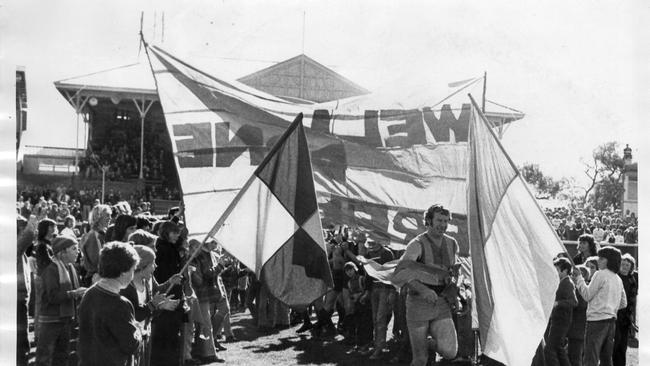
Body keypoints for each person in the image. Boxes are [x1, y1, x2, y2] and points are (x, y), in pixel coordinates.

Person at [398, 204, 459, 366]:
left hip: (442, 303)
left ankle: (428, 344)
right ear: (428, 221)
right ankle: (420, 347)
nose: (443, 225)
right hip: (418, 303)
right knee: (420, 359)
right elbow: (400, 272)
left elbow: (453, 272)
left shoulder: (452, 243)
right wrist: (423, 289)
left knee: (450, 352)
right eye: (439, 220)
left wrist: (456, 293)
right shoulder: (417, 244)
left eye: (446, 221)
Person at [77, 242, 142, 366]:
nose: (133, 275)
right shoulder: (120, 304)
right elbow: (131, 345)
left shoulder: (89, 293)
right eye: (133, 270)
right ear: (123, 272)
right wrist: (137, 330)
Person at [120, 245, 181, 366]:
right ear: (142, 266)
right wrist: (153, 304)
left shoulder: (146, 283)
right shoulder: (126, 287)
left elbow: (148, 312)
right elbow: (134, 315)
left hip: (144, 335)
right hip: (130, 340)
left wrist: (160, 306)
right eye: (153, 264)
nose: (156, 266)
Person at [572, 246, 627, 366]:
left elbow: (587, 295)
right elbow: (623, 303)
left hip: (596, 321)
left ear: (609, 260)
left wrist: (579, 278)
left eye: (601, 258)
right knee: (606, 359)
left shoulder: (600, 274)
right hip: (611, 322)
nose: (598, 260)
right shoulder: (618, 279)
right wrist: (610, 307)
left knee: (590, 358)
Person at [36, 235, 86, 366]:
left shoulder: (71, 268)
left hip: (65, 318)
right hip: (51, 320)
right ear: (62, 252)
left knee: (62, 355)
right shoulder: (51, 269)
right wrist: (73, 293)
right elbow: (52, 297)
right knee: (45, 356)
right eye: (74, 249)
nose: (78, 252)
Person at [151, 221, 186, 366]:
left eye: (178, 232)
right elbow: (161, 273)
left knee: (173, 334)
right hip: (166, 295)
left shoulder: (172, 247)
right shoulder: (162, 249)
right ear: (166, 232)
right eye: (174, 232)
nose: (177, 235)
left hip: (173, 292)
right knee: (166, 335)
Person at [189, 239, 227, 364]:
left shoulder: (206, 255)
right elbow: (205, 275)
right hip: (202, 294)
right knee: (205, 324)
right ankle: (208, 353)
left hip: (209, 293)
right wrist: (220, 266)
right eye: (214, 243)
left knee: (206, 324)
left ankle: (204, 350)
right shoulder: (198, 257)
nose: (216, 246)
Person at [361, 235, 396, 360]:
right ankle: (379, 343)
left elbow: (392, 274)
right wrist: (367, 291)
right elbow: (368, 275)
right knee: (375, 319)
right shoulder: (370, 254)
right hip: (374, 290)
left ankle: (378, 348)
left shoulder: (387, 253)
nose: (371, 246)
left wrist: (392, 292)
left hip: (385, 289)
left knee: (380, 319)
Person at [543, 257, 578, 366]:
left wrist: (558, 303)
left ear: (565, 271)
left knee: (549, 349)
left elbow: (574, 302)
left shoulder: (567, 283)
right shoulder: (561, 282)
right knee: (558, 349)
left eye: (557, 270)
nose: (555, 272)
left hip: (562, 321)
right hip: (557, 320)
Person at [613, 254, 637, 366]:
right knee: (614, 343)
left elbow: (633, 300)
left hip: (626, 317)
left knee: (622, 345)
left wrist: (632, 319)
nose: (625, 267)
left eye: (627, 265)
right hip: (615, 314)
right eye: (623, 264)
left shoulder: (632, 280)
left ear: (631, 267)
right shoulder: (615, 277)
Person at [80, 204, 112, 286]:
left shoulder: (103, 233)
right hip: (95, 278)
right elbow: (96, 261)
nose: (110, 218)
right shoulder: (93, 235)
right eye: (107, 215)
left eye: (110, 215)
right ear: (99, 217)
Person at [567, 266, 590, 366]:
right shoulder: (573, 288)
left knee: (575, 358)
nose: (571, 277)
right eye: (571, 274)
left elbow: (580, 304)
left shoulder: (583, 290)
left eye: (574, 275)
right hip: (571, 329)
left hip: (578, 330)